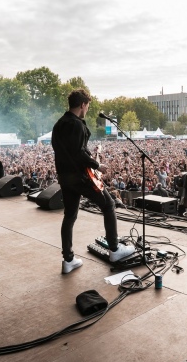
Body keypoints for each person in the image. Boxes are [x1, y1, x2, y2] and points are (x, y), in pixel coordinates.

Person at [52, 89, 135, 274]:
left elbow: (64, 150)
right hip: (80, 177)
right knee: (109, 204)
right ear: (82, 104)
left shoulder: (58, 125)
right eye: (87, 105)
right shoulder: (77, 125)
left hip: (65, 177)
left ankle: (68, 260)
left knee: (70, 216)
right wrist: (96, 165)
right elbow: (78, 153)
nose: (87, 109)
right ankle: (114, 249)